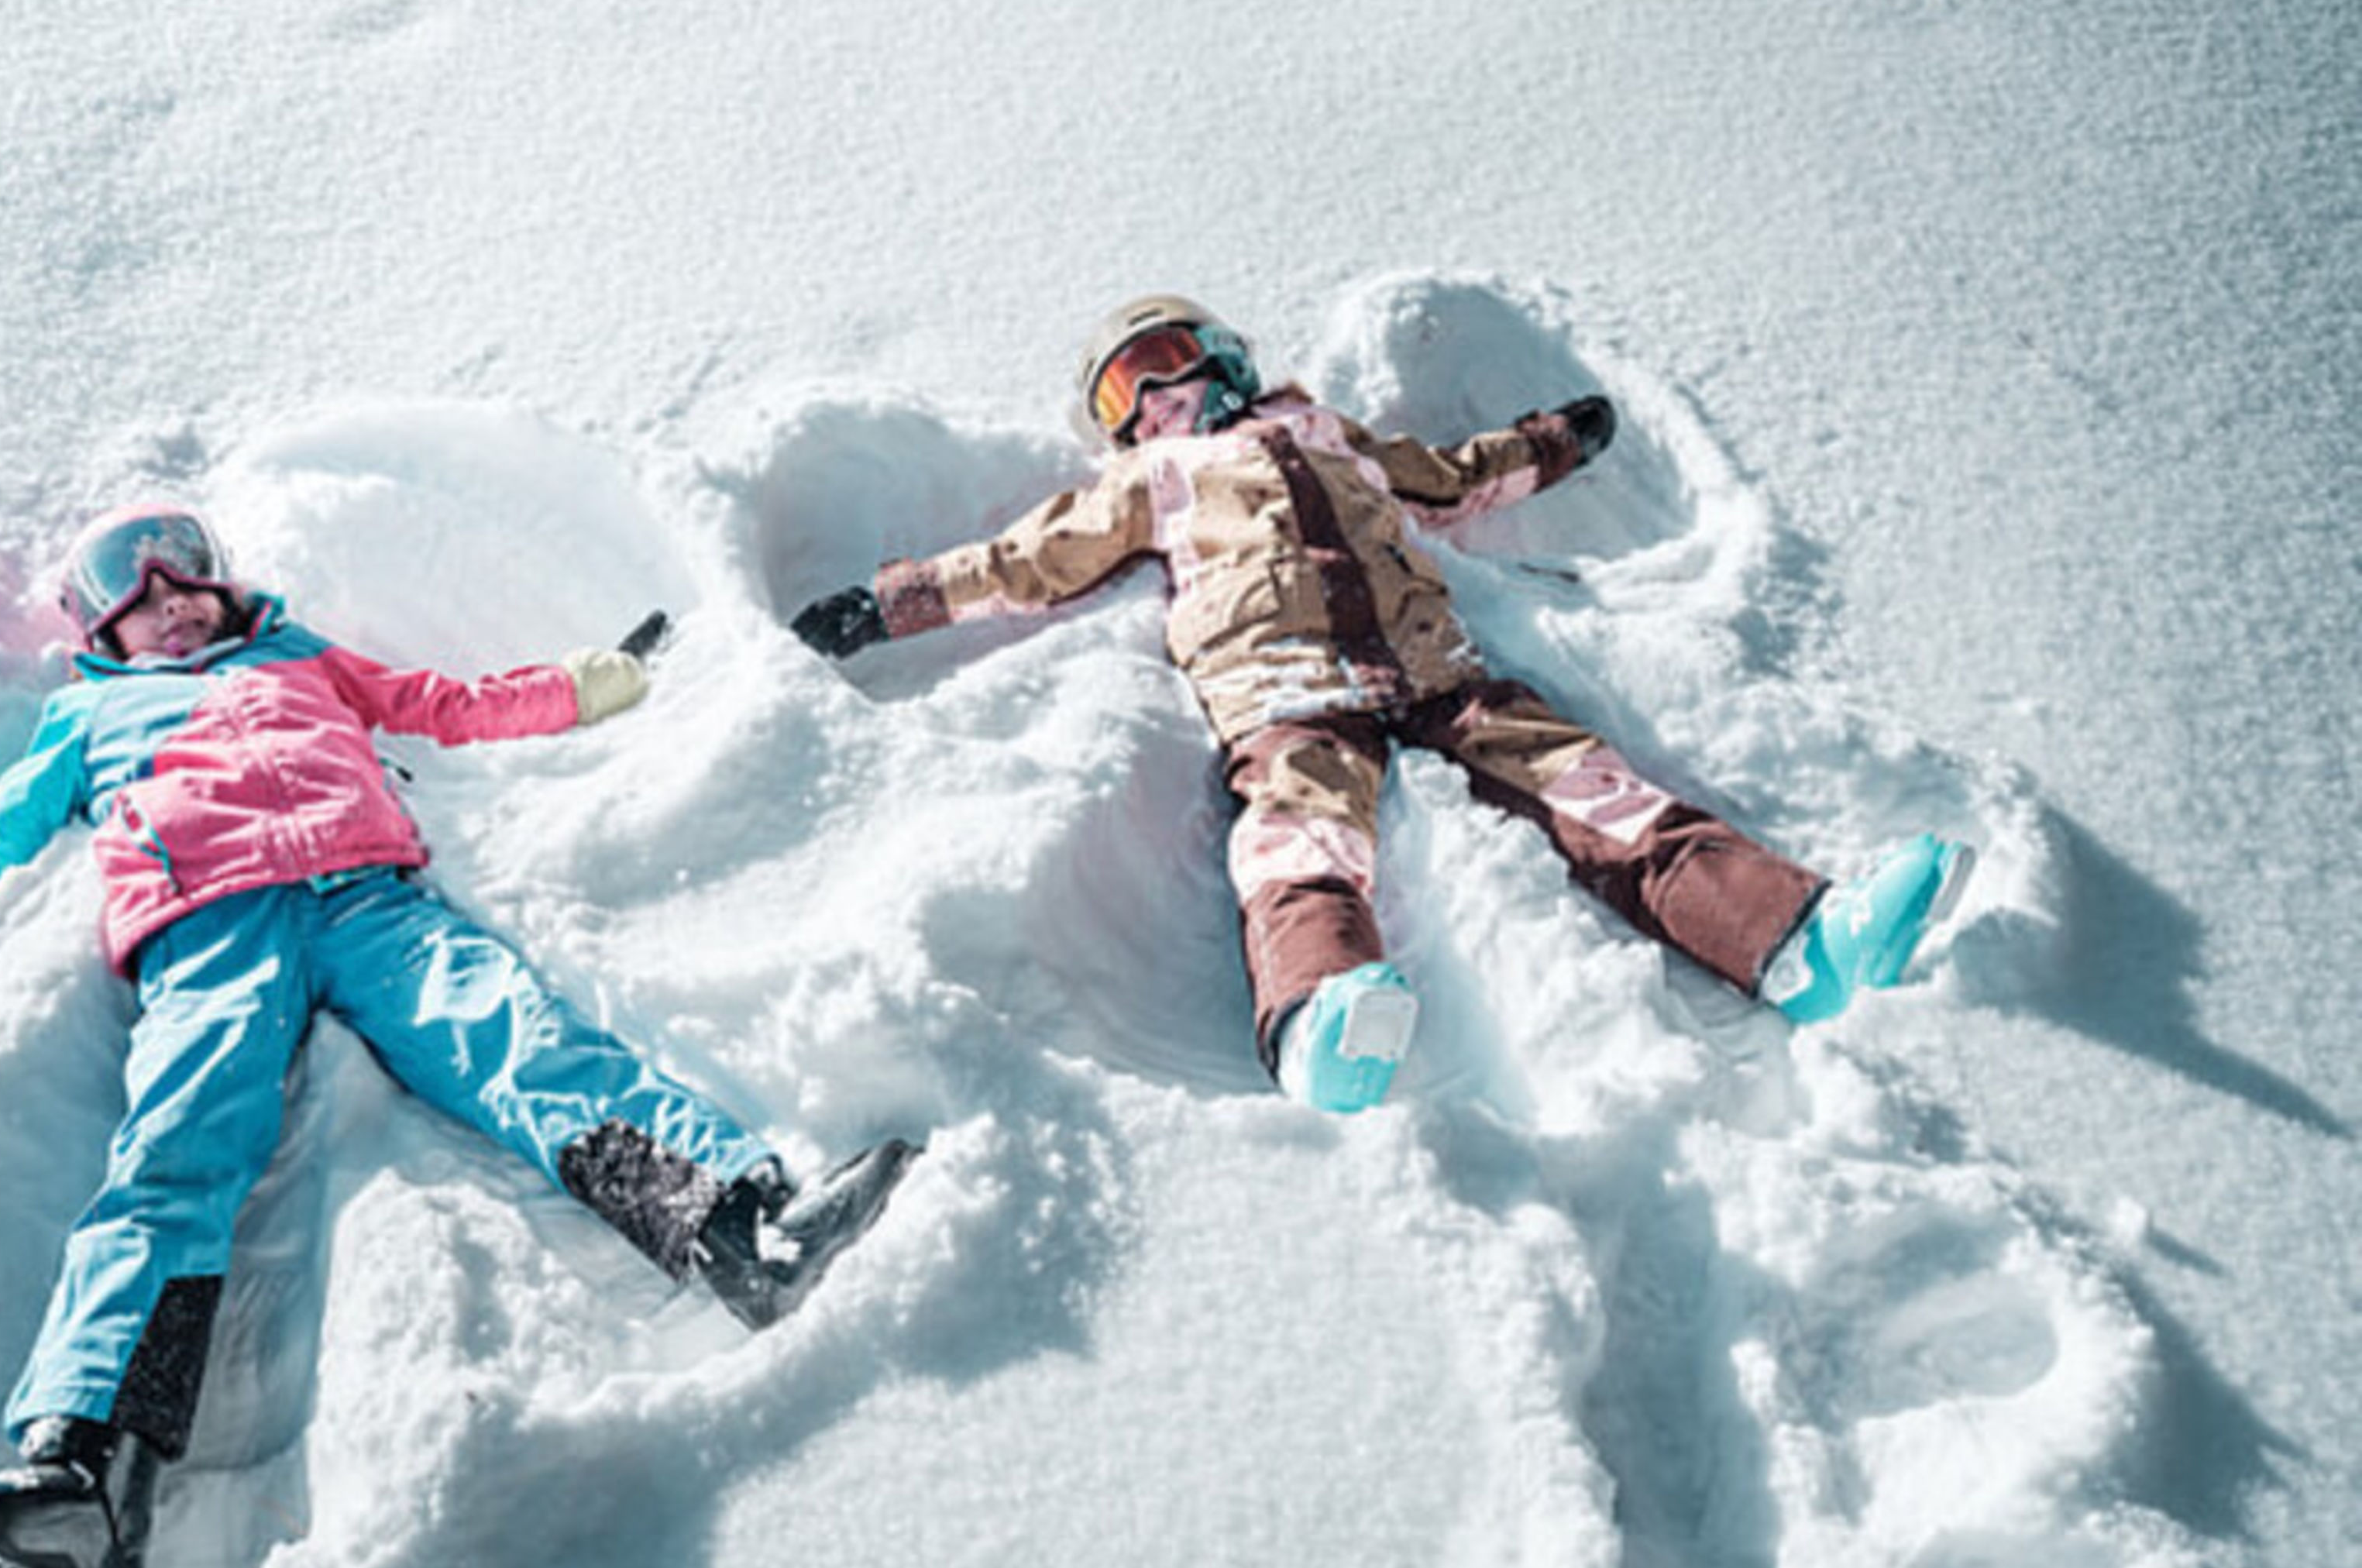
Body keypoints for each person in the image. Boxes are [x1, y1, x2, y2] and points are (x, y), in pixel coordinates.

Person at [0, 504, 912, 1568]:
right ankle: (87, 1474)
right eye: (143, 609)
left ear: (229, 593)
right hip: (208, 931)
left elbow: (451, 704)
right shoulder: (83, 719)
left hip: (368, 902)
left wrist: (596, 682)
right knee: (176, 1157)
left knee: (521, 1044)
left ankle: (737, 1228)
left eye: (190, 591)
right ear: (104, 639)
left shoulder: (304, 658)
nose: (175, 611)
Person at [791, 294, 1971, 1113]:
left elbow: (1453, 479)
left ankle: (1795, 939)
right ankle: (1320, 1014)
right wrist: (887, 603)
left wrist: (1556, 442)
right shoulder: (1146, 483)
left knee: (1592, 786)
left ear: (1223, 362)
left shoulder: (1330, 435)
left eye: (1167, 367)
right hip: (1280, 689)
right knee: (1300, 840)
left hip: (1433, 670)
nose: (1154, 401)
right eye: (1124, 393)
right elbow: (1022, 559)